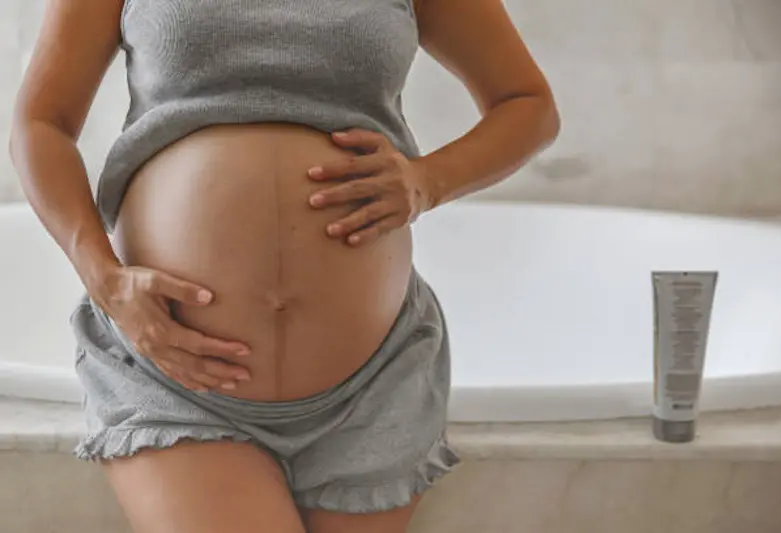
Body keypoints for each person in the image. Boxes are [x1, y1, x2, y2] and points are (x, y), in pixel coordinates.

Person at [9, 0, 560, 531]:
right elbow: (42, 122)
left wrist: (426, 181)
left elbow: (528, 104)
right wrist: (103, 277)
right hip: (175, 376)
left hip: (373, 384)